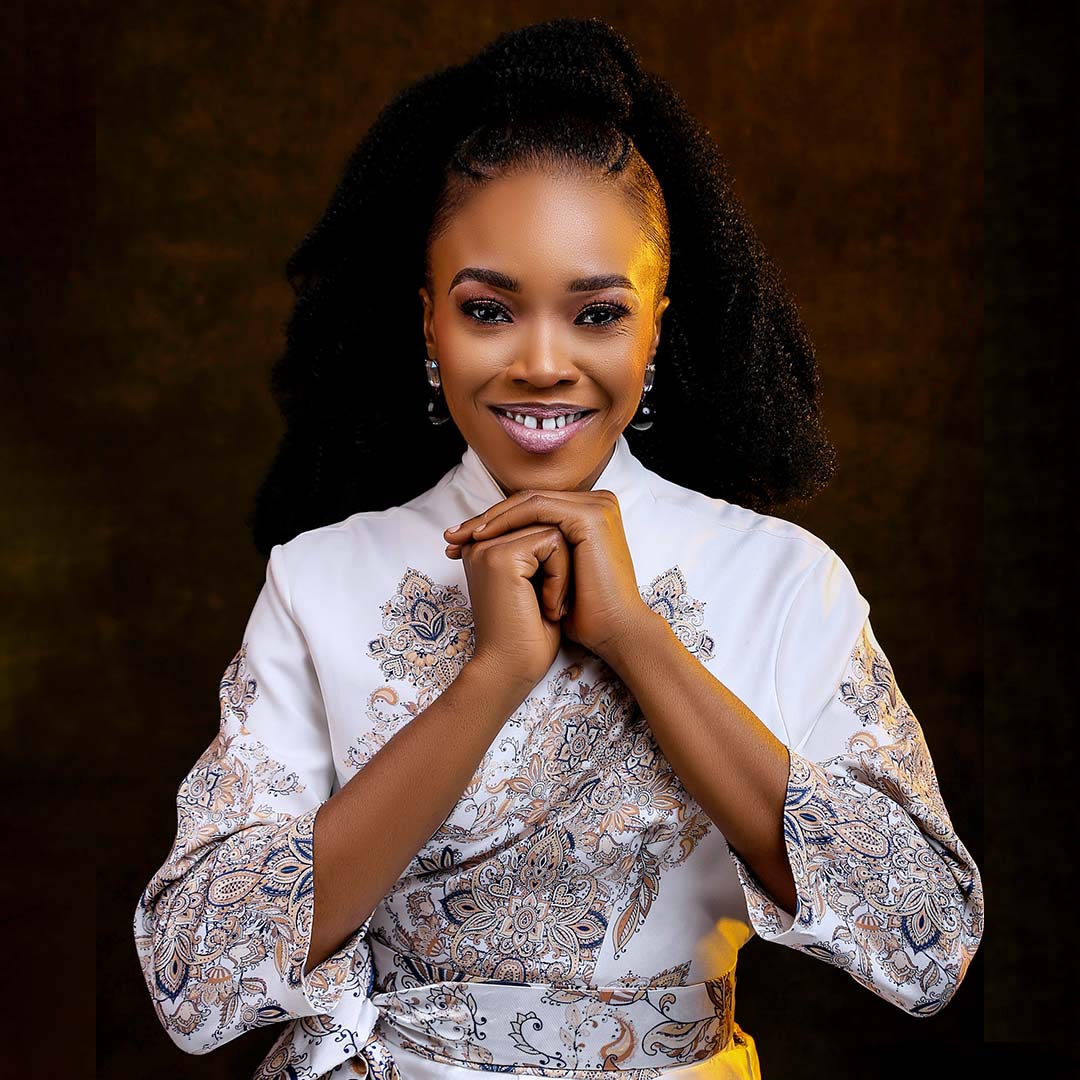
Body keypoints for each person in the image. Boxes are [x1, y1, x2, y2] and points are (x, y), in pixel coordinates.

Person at [132, 17, 984, 1080]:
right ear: (431, 325)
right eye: (489, 309)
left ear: (656, 326)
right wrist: (490, 678)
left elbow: (926, 944)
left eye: (597, 314)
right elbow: (195, 978)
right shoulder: (319, 580)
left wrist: (637, 639)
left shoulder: (781, 580)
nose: (542, 362)